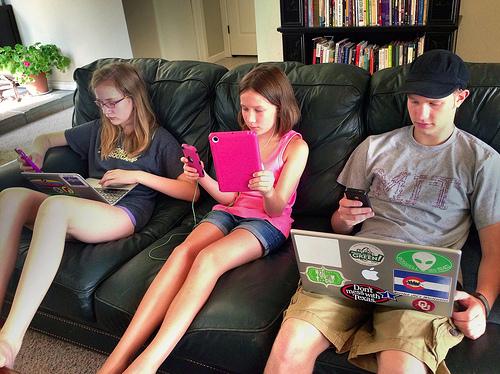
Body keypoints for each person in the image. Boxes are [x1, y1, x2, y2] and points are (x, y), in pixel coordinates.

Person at [265, 49, 500, 374]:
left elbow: (494, 249)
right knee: (289, 347)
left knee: (401, 366)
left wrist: (482, 303)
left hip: (423, 275)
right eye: (415, 101)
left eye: (435, 103)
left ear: (460, 98)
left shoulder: (482, 161)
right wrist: (343, 220)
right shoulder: (374, 147)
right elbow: (339, 224)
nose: (422, 113)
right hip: (357, 262)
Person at [97, 64, 309, 374]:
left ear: (280, 107)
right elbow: (229, 198)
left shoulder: (295, 146)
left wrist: (268, 190)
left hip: (267, 223)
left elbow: (277, 209)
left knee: (208, 259)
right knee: (182, 252)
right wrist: (203, 177)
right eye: (245, 109)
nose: (250, 119)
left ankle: (148, 363)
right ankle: (116, 360)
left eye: (259, 110)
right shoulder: (241, 139)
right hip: (229, 212)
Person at [0, 62, 198, 369]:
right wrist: (37, 153)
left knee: (55, 207)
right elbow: (47, 138)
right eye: (99, 103)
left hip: (122, 213)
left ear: (134, 97)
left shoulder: (160, 141)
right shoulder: (99, 129)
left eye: (112, 102)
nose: (106, 110)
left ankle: (9, 343)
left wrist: (139, 176)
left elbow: (192, 191)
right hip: (84, 203)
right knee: (11, 197)